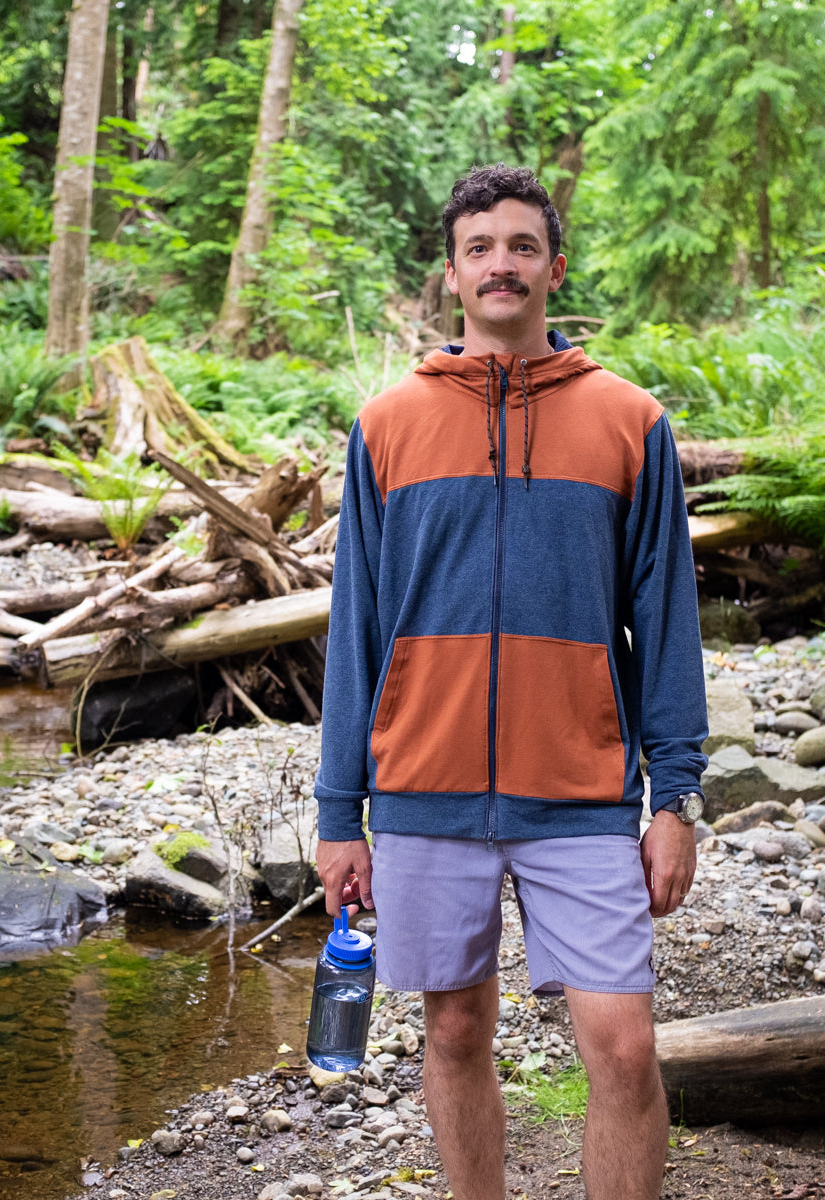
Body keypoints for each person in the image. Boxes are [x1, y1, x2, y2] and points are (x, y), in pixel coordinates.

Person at [313, 163, 708, 1200]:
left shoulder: (630, 422)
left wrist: (676, 798)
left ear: (553, 268)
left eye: (522, 246)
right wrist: (339, 814)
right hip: (422, 789)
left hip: (580, 791)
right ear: (450, 274)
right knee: (453, 1030)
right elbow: (356, 626)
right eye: (479, 248)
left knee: (623, 1044)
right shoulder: (386, 425)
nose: (501, 265)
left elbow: (668, 624)